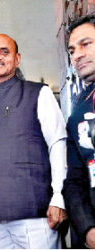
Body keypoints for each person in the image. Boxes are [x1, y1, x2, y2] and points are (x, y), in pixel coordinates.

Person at [0, 34, 67, 248]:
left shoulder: (39, 93)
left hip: (34, 214)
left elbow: (57, 144)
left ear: (17, 58)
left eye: (4, 51)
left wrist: (59, 197)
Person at [62, 14, 95, 248]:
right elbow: (74, 180)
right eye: (72, 50)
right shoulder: (78, 112)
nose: (77, 55)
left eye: (86, 44)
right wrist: (88, 228)